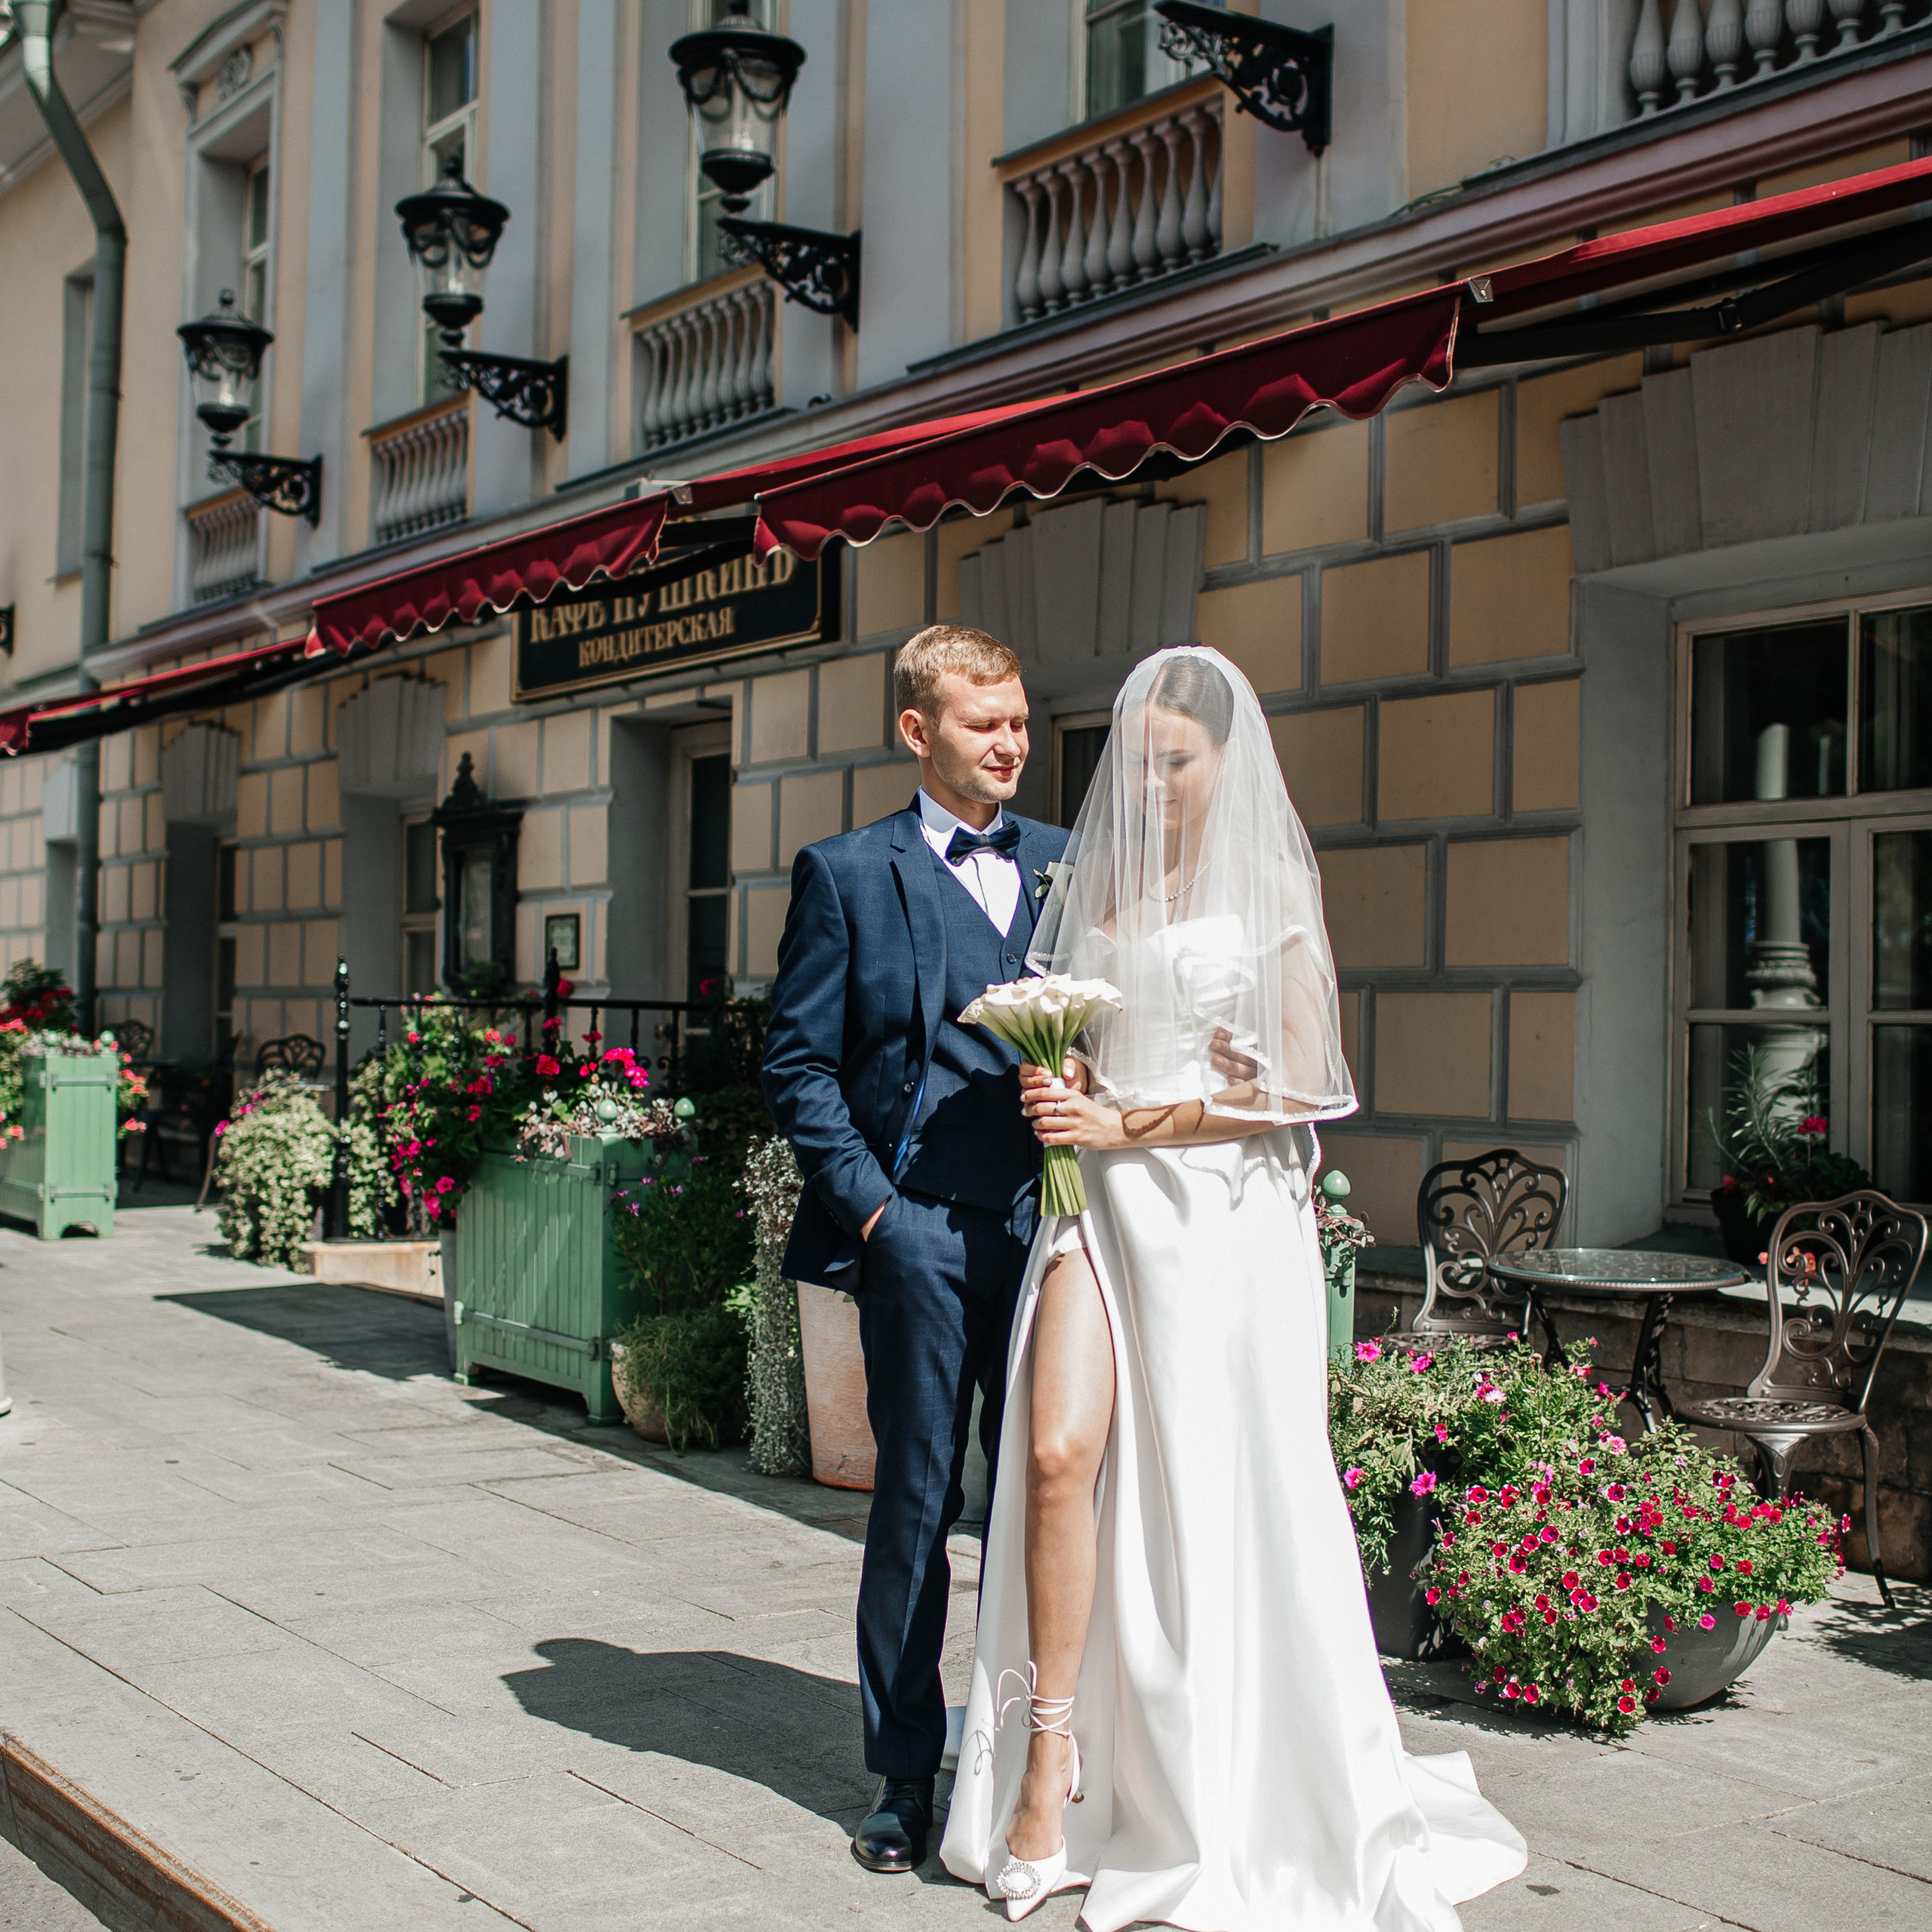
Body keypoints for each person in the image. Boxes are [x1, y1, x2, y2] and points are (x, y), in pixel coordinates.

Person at [940, 646, 1527, 1928]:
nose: (1147, 785)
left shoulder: (1270, 895)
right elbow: (1097, 1058)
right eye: (1134, 761)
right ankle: (1050, 1754)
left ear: (1224, 760)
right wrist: (1066, 1092)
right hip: (1096, 1211)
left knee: (1210, 1495)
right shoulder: (1096, 902)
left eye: (1174, 762)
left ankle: (1214, 1773)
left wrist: (1128, 1125)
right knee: (1051, 1456)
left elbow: (1305, 1090)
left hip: (1221, 1222)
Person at [761, 624, 1070, 1876]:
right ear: (916, 732)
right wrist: (878, 1216)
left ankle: (1042, 1756)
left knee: (1058, 1493)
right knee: (918, 1502)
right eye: (983, 722)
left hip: (1055, 1234)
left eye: (1019, 720)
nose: (1011, 743)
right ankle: (902, 1776)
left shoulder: (1066, 864)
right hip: (922, 1233)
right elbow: (796, 1062)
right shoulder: (845, 874)